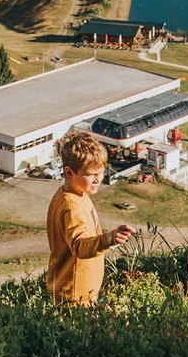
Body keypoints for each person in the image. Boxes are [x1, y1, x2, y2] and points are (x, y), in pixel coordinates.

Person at [46, 130, 134, 305]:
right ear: (69, 172)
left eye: (101, 172)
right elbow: (79, 246)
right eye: (92, 174)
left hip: (80, 290)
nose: (99, 179)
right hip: (74, 296)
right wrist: (109, 238)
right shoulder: (71, 207)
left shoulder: (76, 194)